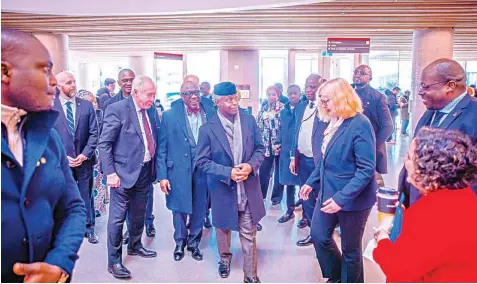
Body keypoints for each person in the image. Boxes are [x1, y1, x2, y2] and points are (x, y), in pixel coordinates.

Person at [1, 28, 86, 283]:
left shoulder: (48, 136)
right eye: (44, 69)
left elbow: (73, 208)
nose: (53, 82)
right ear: (4, 71)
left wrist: (59, 263)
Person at [374, 127, 477, 282]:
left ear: (427, 171)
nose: (404, 160)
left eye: (409, 157)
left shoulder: (434, 215)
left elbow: (398, 269)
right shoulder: (463, 195)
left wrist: (382, 238)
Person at [300, 78, 377, 283]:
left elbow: (366, 169)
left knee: (351, 250)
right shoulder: (333, 120)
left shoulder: (360, 123)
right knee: (319, 235)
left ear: (342, 99)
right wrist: (311, 181)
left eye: (327, 100)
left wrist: (342, 199)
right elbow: (326, 160)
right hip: (328, 191)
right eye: (321, 100)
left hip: (353, 198)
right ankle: (336, 276)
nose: (323, 104)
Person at [195, 82, 266, 283]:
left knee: (249, 231)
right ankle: (224, 259)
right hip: (223, 188)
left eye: (236, 97)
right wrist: (228, 172)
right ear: (217, 102)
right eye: (229, 100)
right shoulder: (207, 129)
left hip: (247, 187)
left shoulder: (249, 121)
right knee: (223, 228)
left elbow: (260, 149)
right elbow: (202, 161)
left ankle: (250, 274)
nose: (234, 102)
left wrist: (251, 166)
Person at [99, 75, 159, 279]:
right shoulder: (117, 109)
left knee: (138, 214)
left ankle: (135, 245)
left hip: (144, 171)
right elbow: (104, 144)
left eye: (154, 95)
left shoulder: (150, 110)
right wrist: (110, 173)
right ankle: (114, 261)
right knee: (116, 219)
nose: (152, 99)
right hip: (121, 174)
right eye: (149, 94)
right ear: (135, 92)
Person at [398, 58, 477, 207]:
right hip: (416, 206)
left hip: (446, 213)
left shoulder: (474, 115)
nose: (420, 92)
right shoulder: (432, 111)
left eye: (425, 87)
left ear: (450, 86)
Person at [157, 80, 216, 262]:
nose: (193, 97)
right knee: (179, 208)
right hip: (178, 170)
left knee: (200, 206)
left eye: (196, 93)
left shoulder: (210, 112)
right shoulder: (169, 116)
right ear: (182, 96)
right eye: (188, 93)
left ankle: (194, 243)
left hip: (203, 169)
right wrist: (162, 176)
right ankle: (180, 242)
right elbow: (162, 147)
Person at [53, 72, 99, 244]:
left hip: (84, 161)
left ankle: (89, 228)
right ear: (58, 86)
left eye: (73, 81)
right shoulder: (51, 107)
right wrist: (63, 156)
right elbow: (47, 135)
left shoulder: (86, 106)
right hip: (61, 163)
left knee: (86, 195)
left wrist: (84, 155)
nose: (73, 85)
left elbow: (95, 133)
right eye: (68, 82)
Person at [290, 74, 324, 246]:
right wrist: (292, 156)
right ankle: (313, 232)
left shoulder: (327, 107)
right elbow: (295, 132)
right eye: (307, 86)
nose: (309, 90)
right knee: (306, 197)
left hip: (319, 163)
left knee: (320, 198)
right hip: (302, 159)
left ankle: (322, 232)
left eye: (313, 87)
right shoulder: (301, 106)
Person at [352, 65, 393, 187]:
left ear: (370, 77)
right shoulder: (347, 94)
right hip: (348, 145)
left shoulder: (377, 97)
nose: (357, 75)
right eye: (356, 72)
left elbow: (388, 126)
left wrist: (373, 145)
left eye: (362, 73)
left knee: (369, 183)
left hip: (369, 146)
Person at [77, 90, 109, 217]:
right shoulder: (79, 115)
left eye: (94, 101)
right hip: (84, 153)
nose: (94, 104)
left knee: (99, 183)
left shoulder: (100, 114)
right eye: (90, 102)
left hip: (98, 152)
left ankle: (97, 208)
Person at [276, 85, 302, 224]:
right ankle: (290, 210)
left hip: (301, 150)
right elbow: (280, 128)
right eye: (290, 93)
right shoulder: (283, 111)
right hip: (286, 150)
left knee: (304, 182)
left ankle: (305, 214)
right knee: (288, 183)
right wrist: (278, 142)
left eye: (295, 93)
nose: (292, 96)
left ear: (300, 94)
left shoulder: (304, 109)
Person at [257, 85, 284, 206]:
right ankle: (261, 194)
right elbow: (258, 125)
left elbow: (284, 127)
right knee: (264, 170)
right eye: (269, 94)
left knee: (278, 171)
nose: (271, 97)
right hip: (266, 144)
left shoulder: (283, 108)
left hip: (278, 144)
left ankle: (276, 197)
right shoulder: (263, 108)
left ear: (278, 95)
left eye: (274, 94)